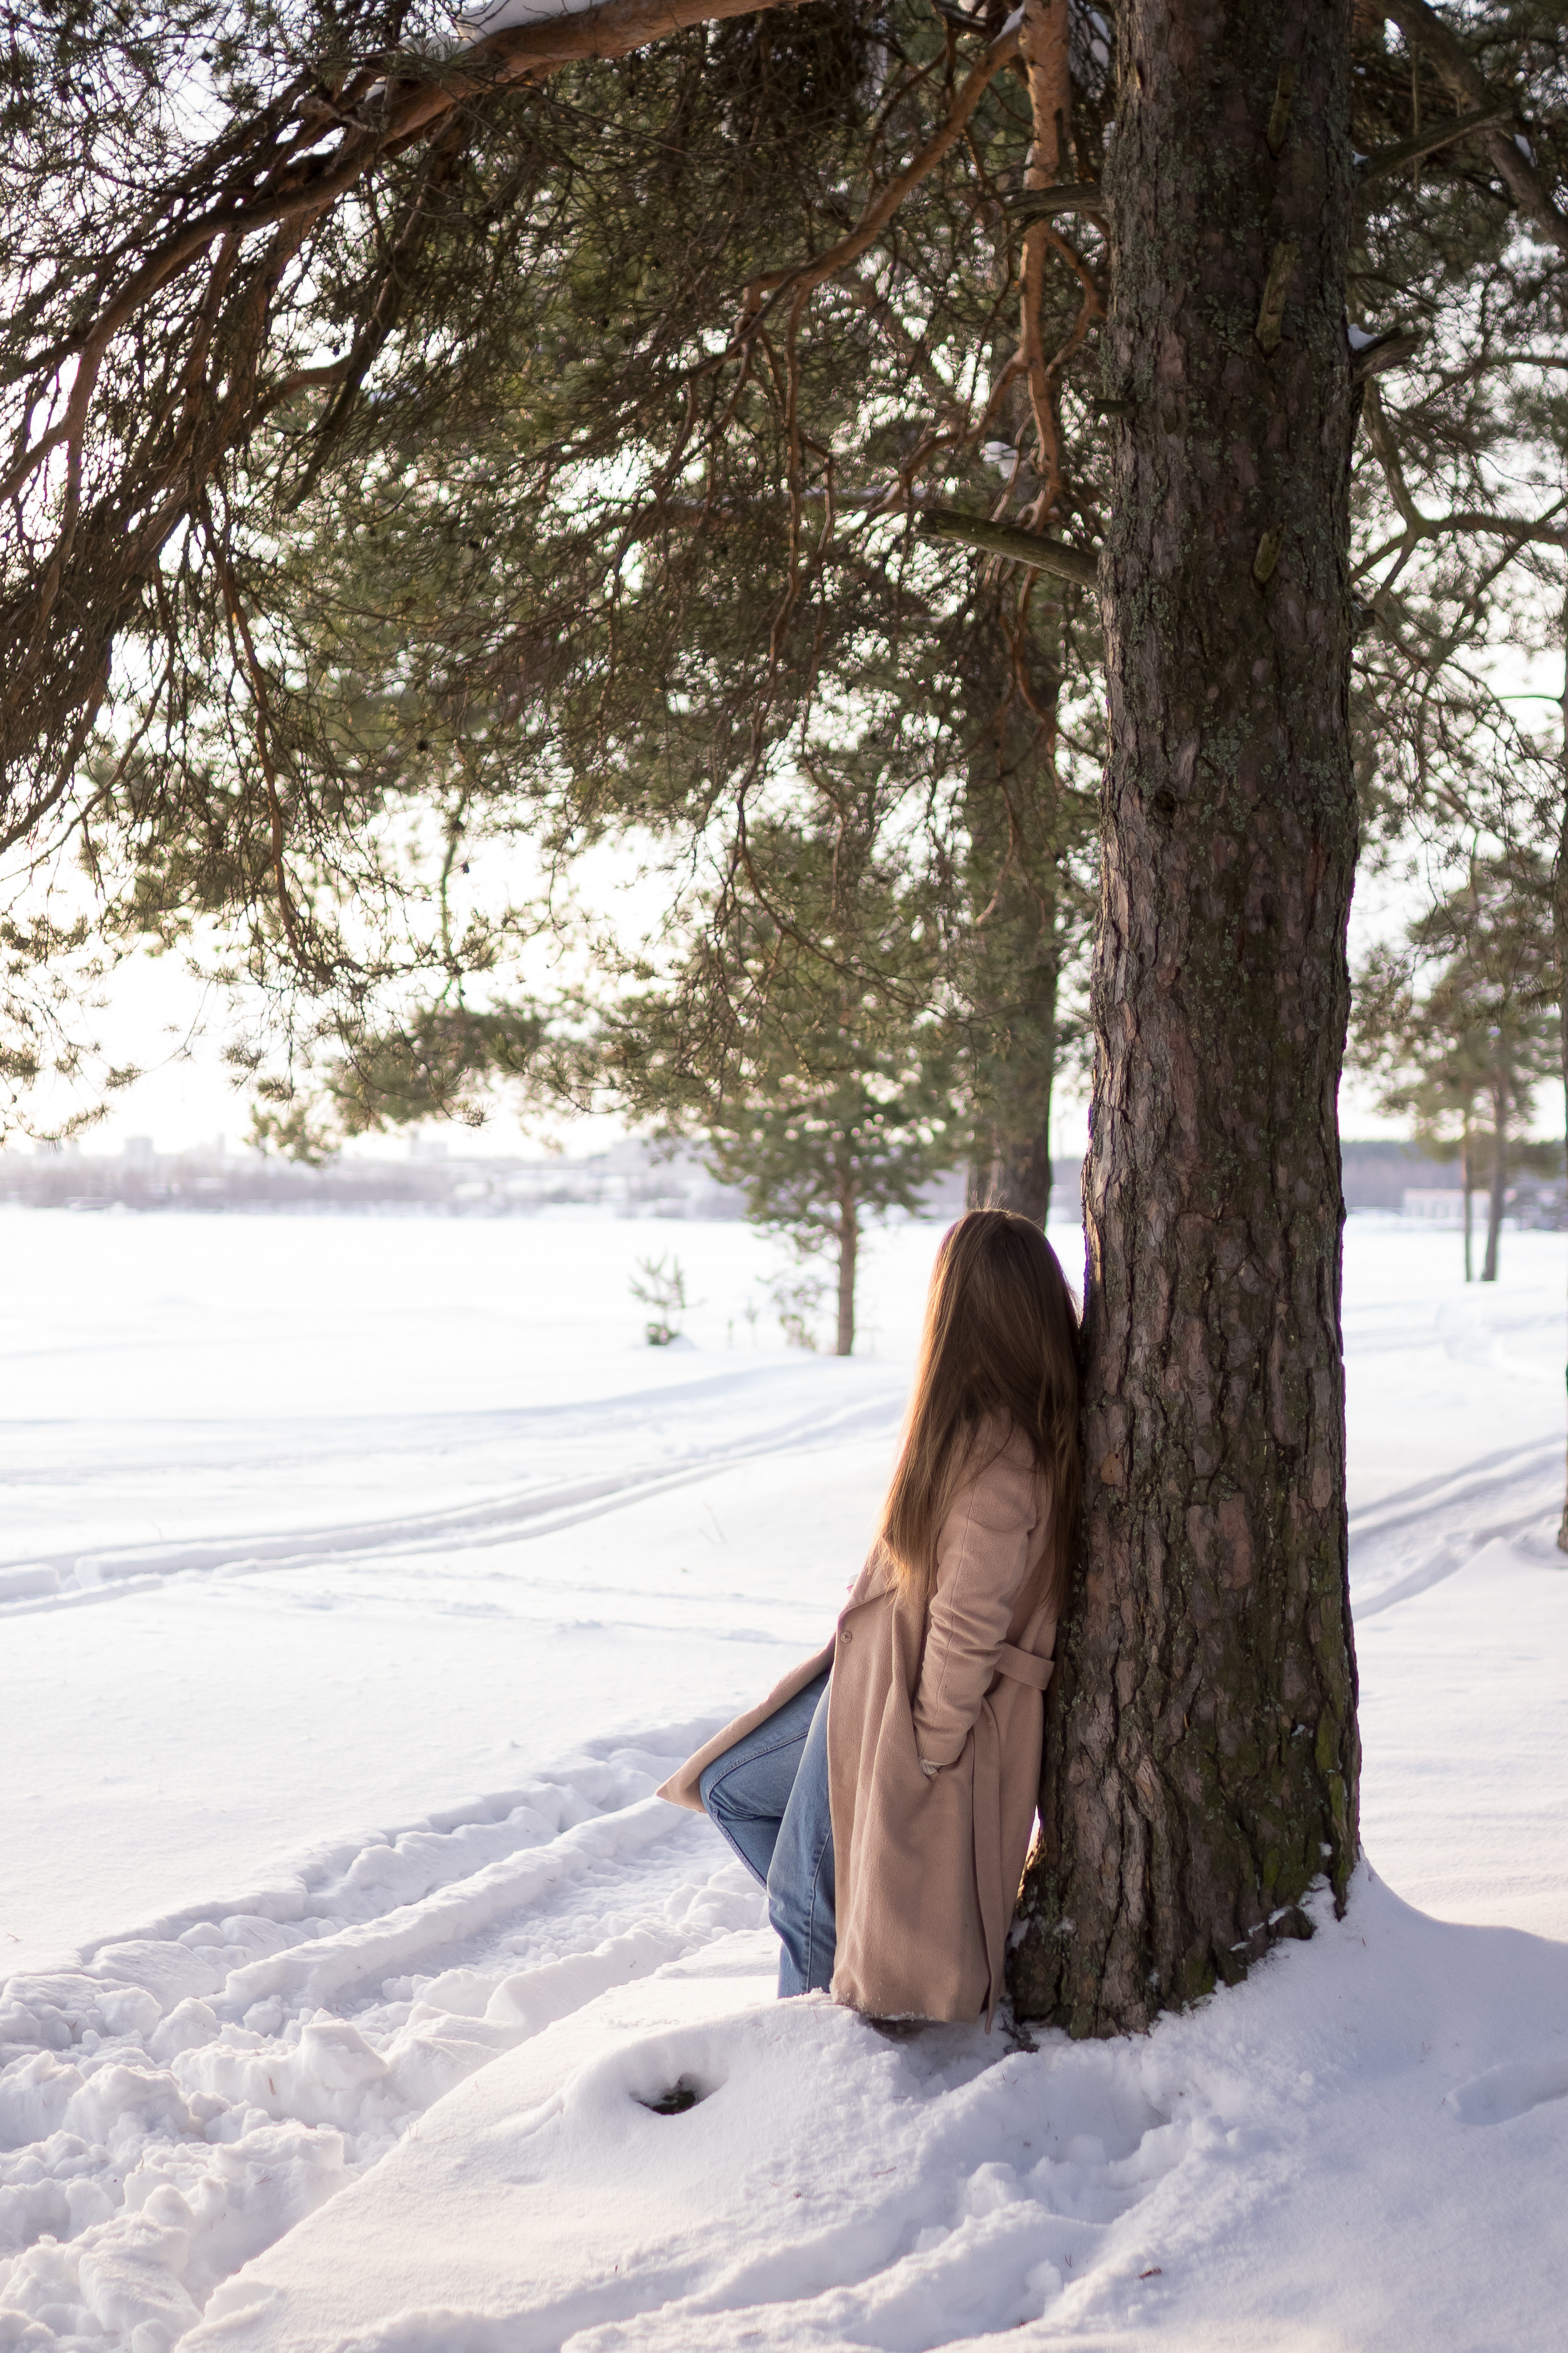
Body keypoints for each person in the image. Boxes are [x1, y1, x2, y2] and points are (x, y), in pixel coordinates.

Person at [657, 1208, 1082, 2026]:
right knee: (733, 1786)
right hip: (867, 1681)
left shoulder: (1000, 1449)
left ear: (962, 1310)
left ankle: (822, 2064)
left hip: (908, 1709)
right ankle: (859, 1939)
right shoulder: (983, 1425)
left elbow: (967, 1622)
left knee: (802, 1909)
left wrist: (922, 1748)